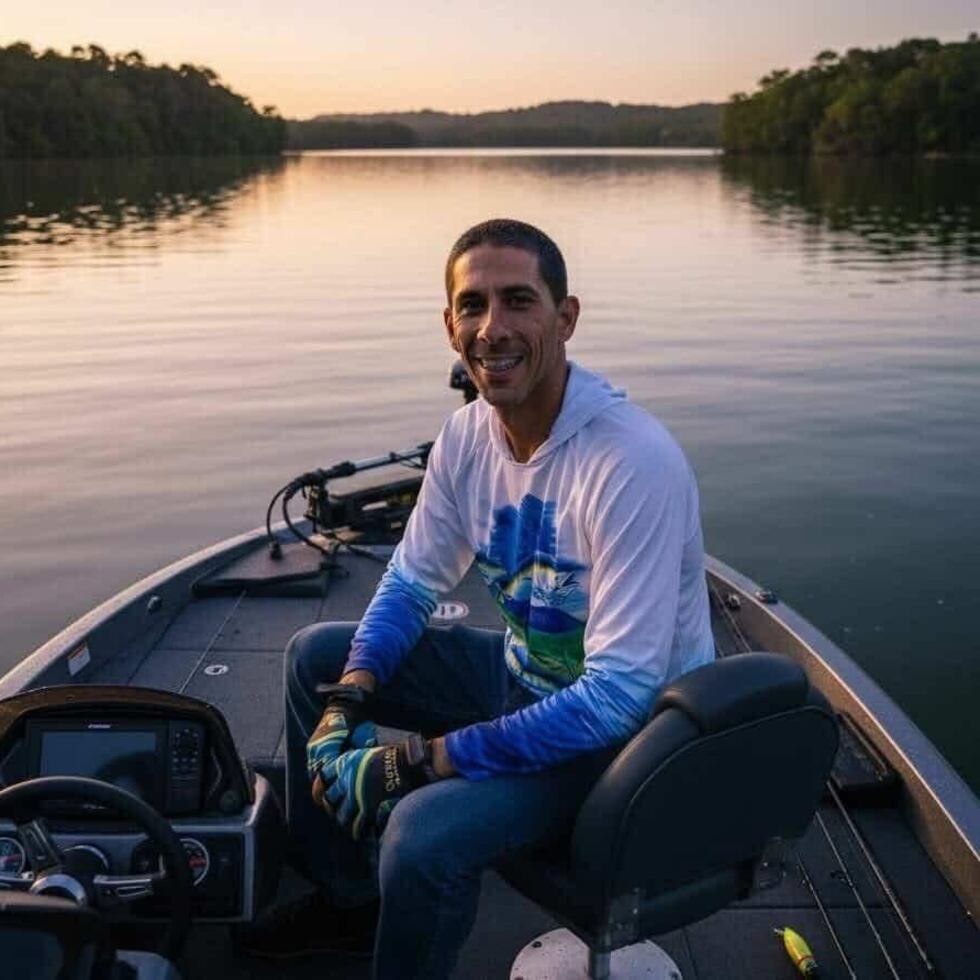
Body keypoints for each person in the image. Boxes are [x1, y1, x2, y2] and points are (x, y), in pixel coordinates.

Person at [240, 218, 715, 977]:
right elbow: (411, 579)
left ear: (565, 318)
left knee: (423, 834)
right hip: (520, 677)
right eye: (473, 304)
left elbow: (619, 697)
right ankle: (345, 899)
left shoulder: (632, 463)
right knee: (316, 658)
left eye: (519, 301)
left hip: (627, 741)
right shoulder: (466, 438)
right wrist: (351, 699)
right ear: (449, 325)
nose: (493, 329)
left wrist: (417, 764)